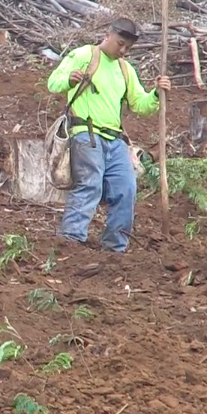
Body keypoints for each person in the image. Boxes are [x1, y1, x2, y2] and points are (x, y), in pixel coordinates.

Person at [46, 18, 171, 253]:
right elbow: (53, 83)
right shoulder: (84, 55)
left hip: (115, 141)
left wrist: (156, 93)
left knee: (126, 188)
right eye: (120, 44)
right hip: (86, 134)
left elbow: (140, 104)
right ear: (108, 35)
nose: (122, 50)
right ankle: (70, 241)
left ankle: (115, 248)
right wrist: (68, 79)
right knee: (90, 184)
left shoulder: (125, 69)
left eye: (127, 48)